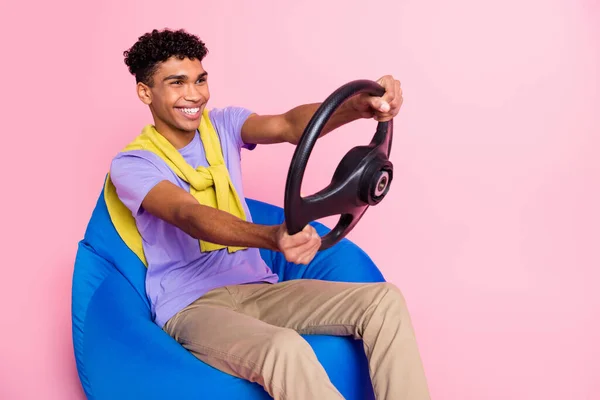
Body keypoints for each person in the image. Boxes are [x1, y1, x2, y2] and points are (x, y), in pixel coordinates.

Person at [108, 28, 430, 400]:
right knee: (285, 347)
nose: (194, 94)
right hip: (193, 306)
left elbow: (290, 125)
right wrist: (271, 237)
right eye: (176, 83)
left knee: (384, 301)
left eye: (200, 80)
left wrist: (357, 107)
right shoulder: (133, 163)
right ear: (146, 92)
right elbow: (187, 214)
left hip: (259, 289)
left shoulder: (224, 125)